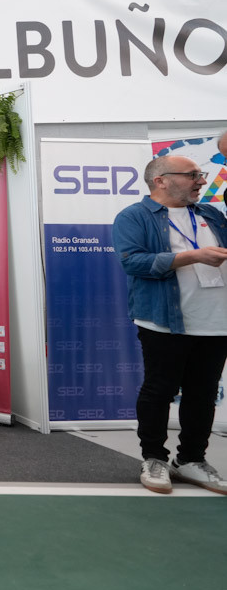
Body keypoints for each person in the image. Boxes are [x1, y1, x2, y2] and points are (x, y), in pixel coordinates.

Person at [112, 155, 227, 495]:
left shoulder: (211, 214)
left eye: (200, 175)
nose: (201, 181)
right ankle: (154, 458)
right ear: (160, 180)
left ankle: (191, 459)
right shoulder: (134, 216)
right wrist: (193, 256)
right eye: (192, 175)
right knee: (159, 389)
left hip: (216, 320)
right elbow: (133, 262)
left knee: (203, 394)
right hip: (165, 320)